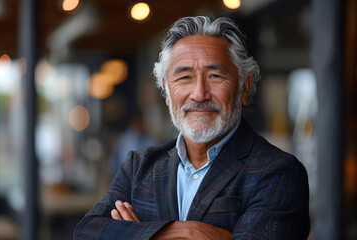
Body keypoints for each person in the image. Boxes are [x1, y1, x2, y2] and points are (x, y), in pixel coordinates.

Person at [74, 16, 310, 239]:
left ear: (244, 87)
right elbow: (86, 231)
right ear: (167, 92)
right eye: (184, 77)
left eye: (215, 76)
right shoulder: (139, 167)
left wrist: (137, 233)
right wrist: (182, 233)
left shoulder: (278, 172)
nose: (199, 94)